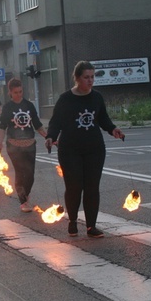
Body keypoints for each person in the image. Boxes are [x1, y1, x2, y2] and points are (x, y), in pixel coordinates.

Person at [45, 60, 124, 238]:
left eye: (92, 77)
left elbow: (103, 119)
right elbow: (55, 122)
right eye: (86, 77)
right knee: (74, 186)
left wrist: (113, 130)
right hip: (70, 149)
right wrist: (51, 137)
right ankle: (72, 220)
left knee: (91, 187)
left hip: (94, 149)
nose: (90, 80)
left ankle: (91, 226)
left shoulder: (96, 97)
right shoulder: (66, 99)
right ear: (77, 78)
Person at [0, 78, 47, 212]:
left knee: (30, 173)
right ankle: (23, 202)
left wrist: (48, 137)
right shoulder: (8, 108)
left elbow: (37, 125)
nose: (19, 94)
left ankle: (26, 193)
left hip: (30, 144)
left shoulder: (29, 106)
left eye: (20, 91)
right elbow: (2, 126)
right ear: (10, 93)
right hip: (14, 145)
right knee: (20, 171)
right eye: (15, 92)